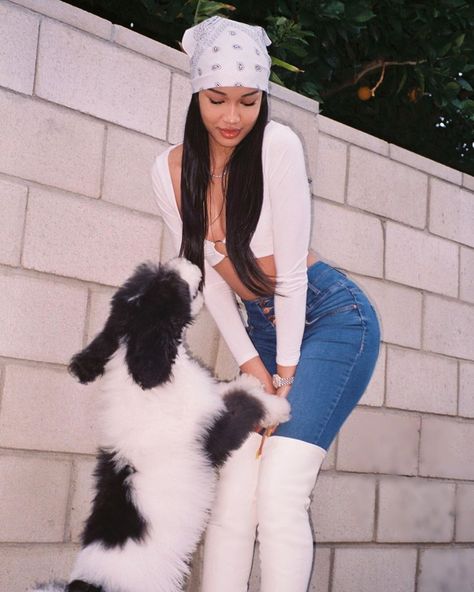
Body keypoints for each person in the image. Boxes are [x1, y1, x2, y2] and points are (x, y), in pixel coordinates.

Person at [150, 15, 381, 592]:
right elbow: (213, 280)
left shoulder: (278, 145)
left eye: (249, 102)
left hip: (329, 318)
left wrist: (285, 371)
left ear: (263, 100)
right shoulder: (170, 171)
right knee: (232, 487)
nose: (232, 117)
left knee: (280, 487)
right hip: (263, 333)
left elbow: (294, 281)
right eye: (217, 99)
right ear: (195, 95)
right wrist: (254, 365)